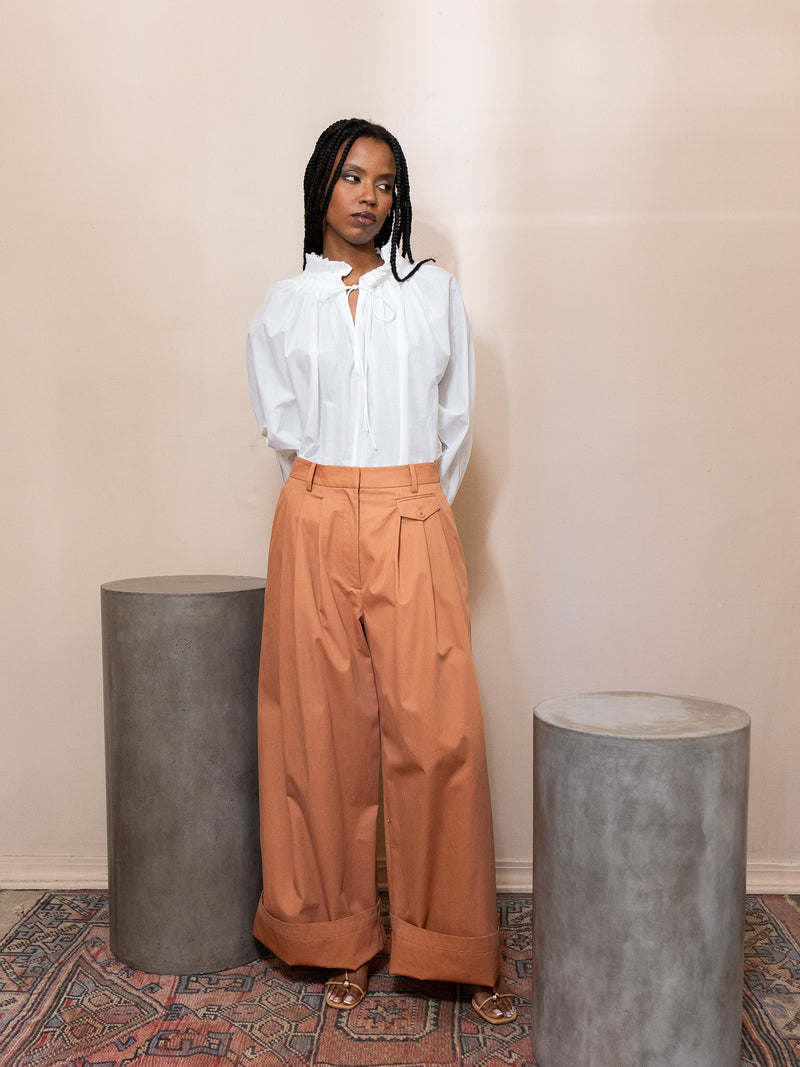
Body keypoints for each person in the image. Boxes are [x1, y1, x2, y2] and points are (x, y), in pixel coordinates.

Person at [246, 117, 516, 1025]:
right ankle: (338, 938)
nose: (370, 196)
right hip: (315, 509)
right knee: (319, 735)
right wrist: (332, 504)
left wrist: (410, 507)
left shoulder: (432, 294)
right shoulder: (283, 305)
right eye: (353, 176)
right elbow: (283, 430)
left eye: (386, 182)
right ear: (321, 184)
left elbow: (456, 424)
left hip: (412, 508)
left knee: (438, 733)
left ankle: (451, 945)